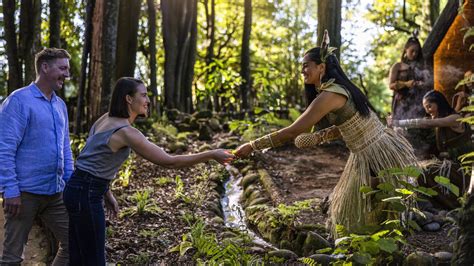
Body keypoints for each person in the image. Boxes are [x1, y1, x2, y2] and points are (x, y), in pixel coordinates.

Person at [235, 32, 417, 237]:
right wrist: (321, 137)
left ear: (321, 67)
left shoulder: (330, 94)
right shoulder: (336, 90)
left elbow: (294, 130)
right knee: (360, 211)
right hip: (369, 151)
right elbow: (352, 125)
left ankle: (381, 250)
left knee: (366, 211)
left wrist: (252, 145)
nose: (302, 70)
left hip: (376, 153)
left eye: (306, 65)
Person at [63, 77, 234, 265]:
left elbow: (92, 160)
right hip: (86, 194)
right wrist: (211, 154)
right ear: (128, 99)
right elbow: (169, 162)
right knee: (94, 260)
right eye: (143, 95)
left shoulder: (105, 119)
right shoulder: (127, 132)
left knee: (79, 257)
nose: (148, 100)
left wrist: (106, 192)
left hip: (76, 189)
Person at [0, 48, 72, 265]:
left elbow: (65, 149)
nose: (67, 74)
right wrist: (10, 189)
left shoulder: (60, 105)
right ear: (45, 67)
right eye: (62, 68)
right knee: (12, 257)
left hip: (55, 193)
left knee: (75, 243)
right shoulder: (19, 101)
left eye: (67, 69)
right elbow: (4, 148)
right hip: (23, 195)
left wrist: (71, 183)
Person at [390, 90, 472, 208]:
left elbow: (428, 124)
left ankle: (455, 205)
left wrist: (399, 123)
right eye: (425, 108)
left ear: (439, 103)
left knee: (426, 172)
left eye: (430, 106)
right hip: (451, 166)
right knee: (418, 171)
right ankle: (441, 207)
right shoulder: (439, 124)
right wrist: (399, 131)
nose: (428, 110)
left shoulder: (455, 118)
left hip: (464, 170)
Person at [388, 34, 434, 158]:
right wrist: (406, 84)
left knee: (416, 130)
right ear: (405, 50)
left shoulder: (421, 67)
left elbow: (429, 84)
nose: (414, 54)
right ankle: (399, 156)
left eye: (417, 52)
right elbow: (391, 85)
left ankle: (417, 156)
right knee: (400, 130)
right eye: (412, 51)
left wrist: (421, 84)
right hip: (401, 103)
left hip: (418, 103)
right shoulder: (397, 66)